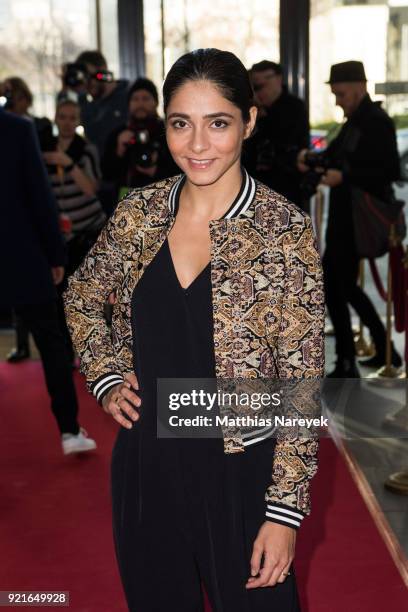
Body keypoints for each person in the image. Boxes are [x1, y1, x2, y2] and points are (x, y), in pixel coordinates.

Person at [63, 48, 325, 611]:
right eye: (182, 123)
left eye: (219, 123)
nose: (198, 145)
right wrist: (106, 375)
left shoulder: (283, 230)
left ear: (249, 123)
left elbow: (302, 383)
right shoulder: (142, 213)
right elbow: (83, 295)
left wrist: (284, 514)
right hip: (146, 465)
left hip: (242, 469)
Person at [0, 106, 96, 455]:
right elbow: (40, 197)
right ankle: (70, 432)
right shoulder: (16, 129)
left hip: (20, 252)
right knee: (52, 342)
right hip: (21, 252)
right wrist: (55, 255)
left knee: (52, 341)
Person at [298, 60, 401, 377]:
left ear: (359, 88)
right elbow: (337, 155)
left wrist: (344, 176)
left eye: (341, 94)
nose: (338, 101)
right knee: (341, 284)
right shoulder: (356, 120)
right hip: (347, 218)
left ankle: (347, 359)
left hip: (358, 218)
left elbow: (389, 171)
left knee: (335, 283)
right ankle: (385, 349)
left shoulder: (376, 121)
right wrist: (312, 160)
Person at [42, 98, 107, 362]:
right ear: (56, 119)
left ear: (78, 121)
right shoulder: (44, 149)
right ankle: (68, 353)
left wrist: (66, 162)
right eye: (62, 116)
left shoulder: (86, 149)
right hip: (61, 235)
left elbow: (91, 188)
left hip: (90, 231)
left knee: (89, 295)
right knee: (61, 297)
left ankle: (96, 353)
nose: (67, 122)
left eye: (72, 117)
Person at [1, 76, 54, 363]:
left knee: (40, 313)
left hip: (25, 234)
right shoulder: (17, 129)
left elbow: (39, 189)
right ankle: (21, 346)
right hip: (20, 232)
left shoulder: (35, 126)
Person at [243, 60, 310, 207]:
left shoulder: (294, 108)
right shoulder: (254, 111)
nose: (259, 92)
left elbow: (285, 144)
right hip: (257, 189)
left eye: (261, 86)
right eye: (254, 87)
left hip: (286, 190)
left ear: (278, 79)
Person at [102, 77, 179, 197]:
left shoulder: (169, 133)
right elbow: (107, 175)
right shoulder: (118, 134)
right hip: (127, 202)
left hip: (163, 199)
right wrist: (119, 150)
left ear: (155, 103)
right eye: (135, 99)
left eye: (146, 98)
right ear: (128, 104)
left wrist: (156, 171)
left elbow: (181, 173)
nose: (140, 104)